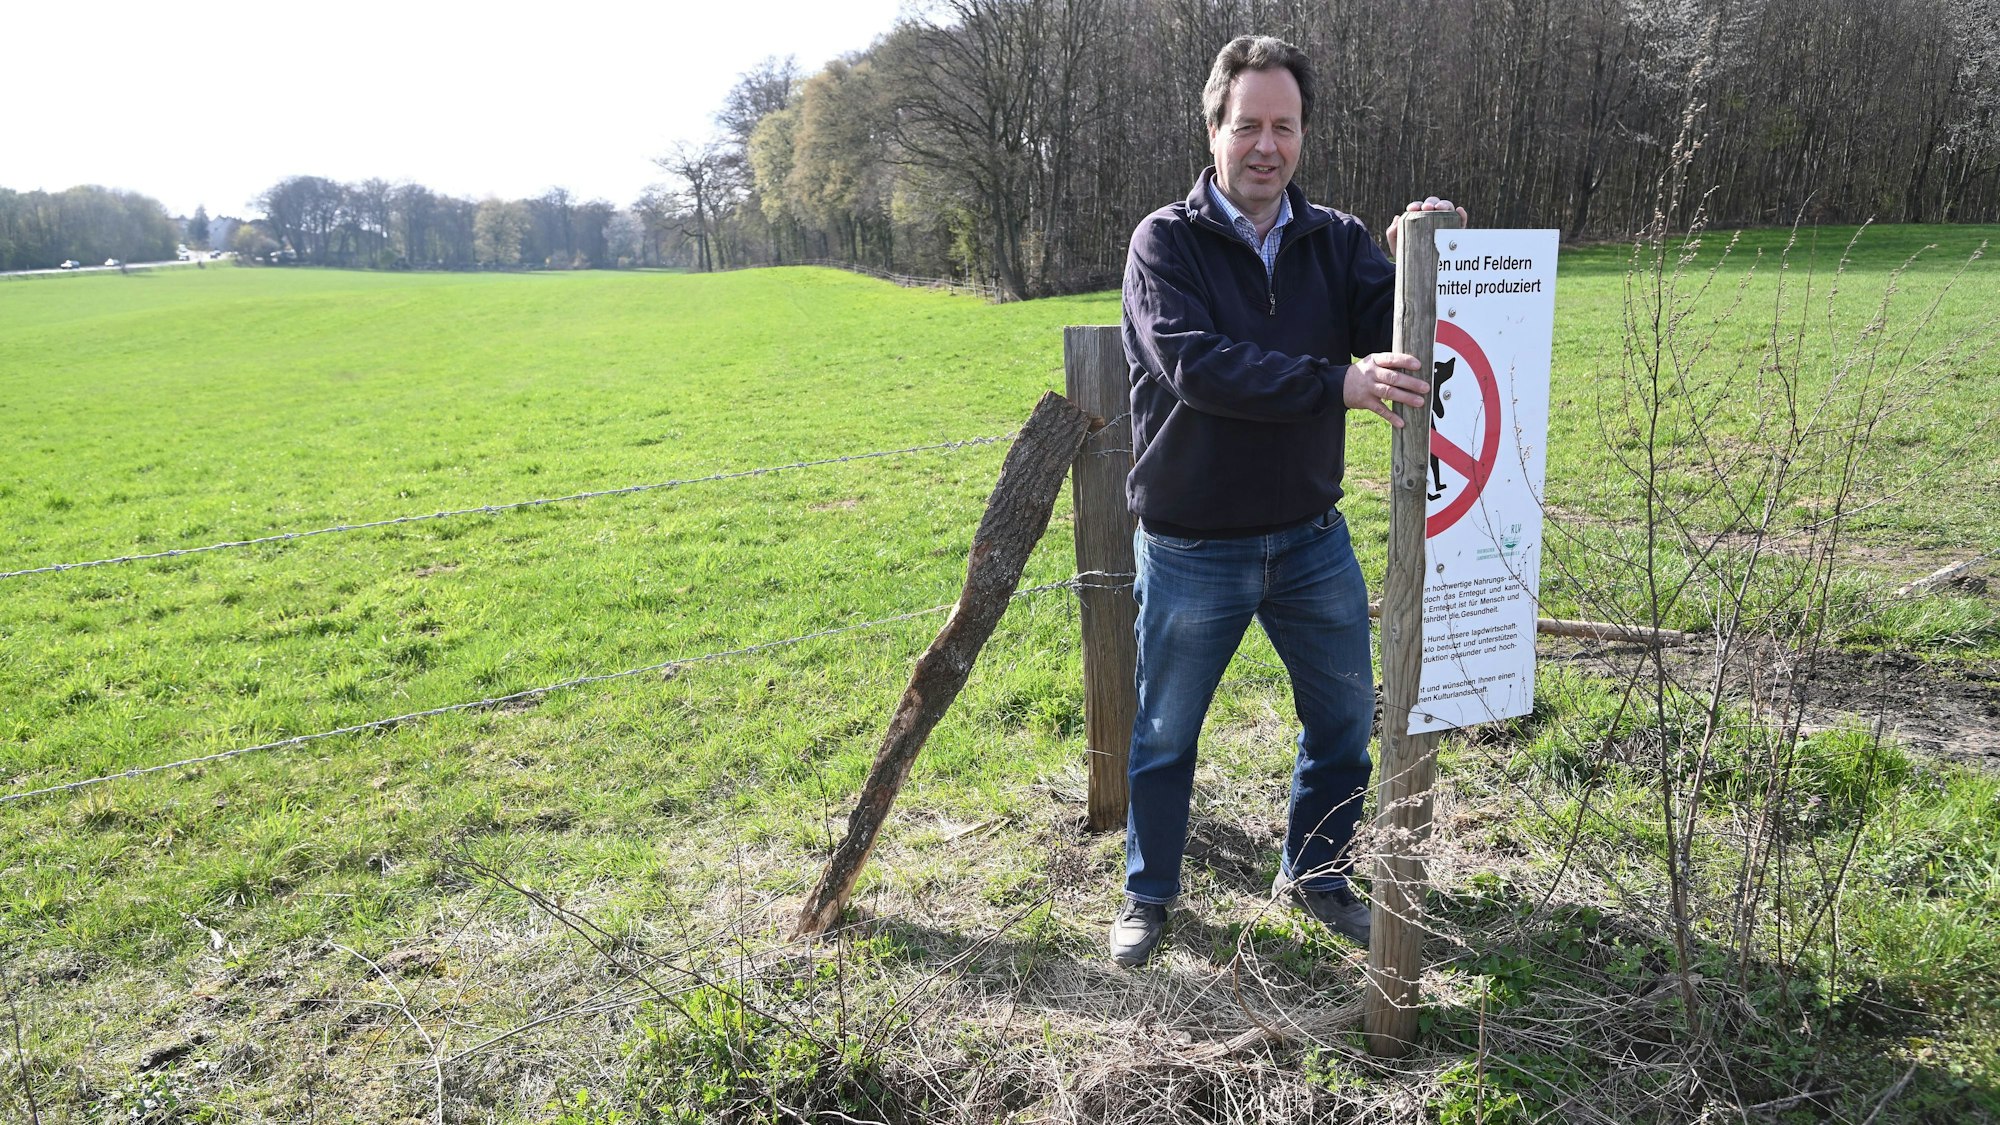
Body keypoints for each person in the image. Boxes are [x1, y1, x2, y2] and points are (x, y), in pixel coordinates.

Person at [1111, 33, 1466, 968]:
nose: (1266, 145)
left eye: (1285, 126)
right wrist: (1337, 385)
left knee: (1348, 718)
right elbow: (1196, 366)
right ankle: (1149, 893)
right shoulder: (1165, 243)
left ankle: (1316, 872)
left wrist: (1418, 251)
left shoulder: (1336, 241)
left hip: (1311, 538)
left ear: (1302, 133)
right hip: (1192, 545)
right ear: (1214, 128)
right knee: (1163, 732)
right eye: (1247, 126)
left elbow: (1403, 326)